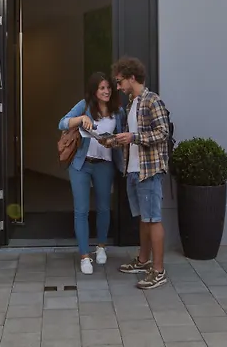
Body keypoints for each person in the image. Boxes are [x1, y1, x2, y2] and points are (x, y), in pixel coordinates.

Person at [108, 56, 170, 289]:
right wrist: (113, 141)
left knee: (153, 219)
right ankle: (143, 261)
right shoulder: (131, 104)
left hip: (149, 171)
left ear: (132, 78)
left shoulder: (152, 100)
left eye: (119, 81)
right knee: (144, 219)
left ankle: (159, 271)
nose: (118, 87)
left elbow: (162, 132)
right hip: (133, 170)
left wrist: (133, 137)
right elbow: (131, 138)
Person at [58, 72, 125, 275]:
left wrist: (114, 141)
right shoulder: (84, 106)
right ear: (94, 91)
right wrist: (80, 119)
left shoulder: (118, 111)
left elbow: (122, 137)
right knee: (81, 210)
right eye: (102, 88)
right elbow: (62, 123)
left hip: (105, 165)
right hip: (81, 164)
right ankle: (84, 256)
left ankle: (101, 246)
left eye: (108, 88)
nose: (106, 91)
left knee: (104, 207)